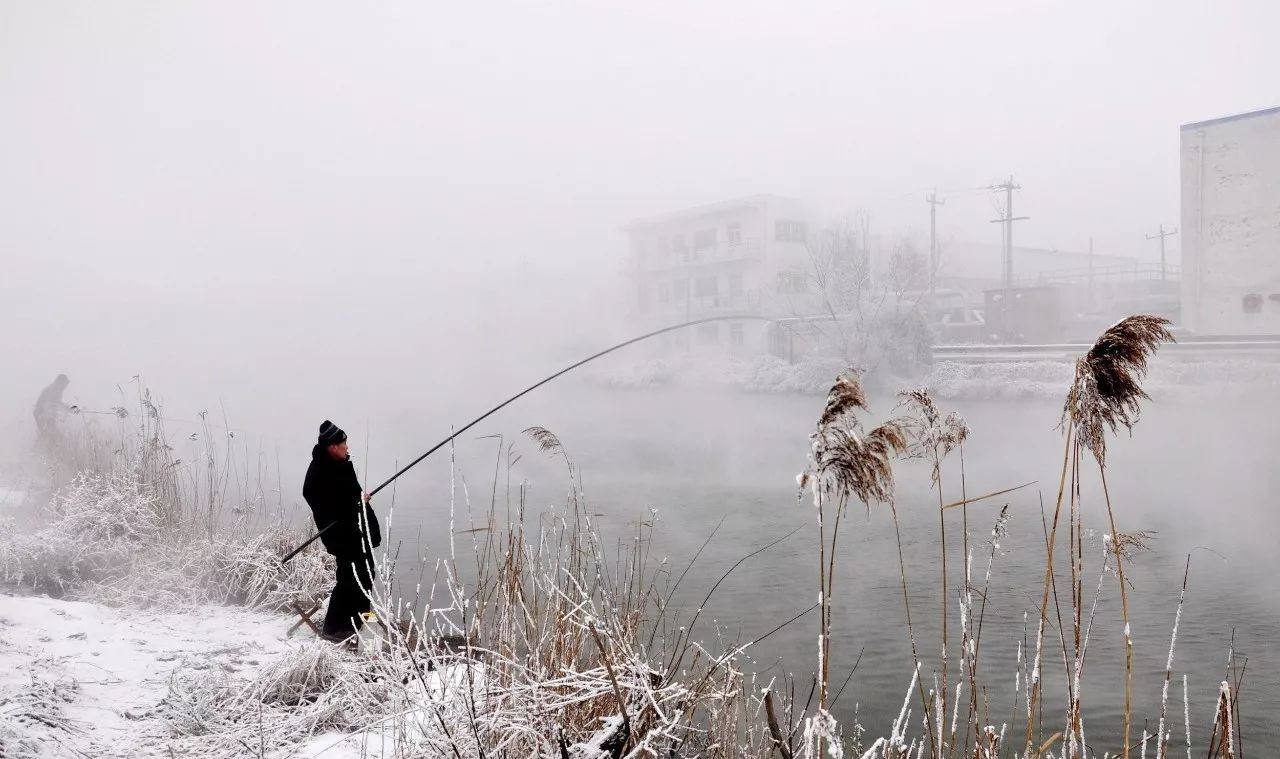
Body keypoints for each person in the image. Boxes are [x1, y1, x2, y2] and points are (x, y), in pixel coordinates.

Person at [302, 420, 382, 641]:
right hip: (340, 533)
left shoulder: (342, 463)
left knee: (366, 572)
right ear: (332, 446)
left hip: (356, 528)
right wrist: (352, 504)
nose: (347, 446)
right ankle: (334, 629)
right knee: (349, 577)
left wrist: (360, 500)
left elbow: (350, 493)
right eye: (343, 443)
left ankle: (359, 623)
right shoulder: (319, 468)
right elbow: (314, 496)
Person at [33, 374, 71, 440]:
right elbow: (51, 403)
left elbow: (56, 403)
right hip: (42, 415)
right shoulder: (52, 390)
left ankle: (42, 443)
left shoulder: (57, 390)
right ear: (60, 382)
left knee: (49, 436)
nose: (65, 387)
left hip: (46, 416)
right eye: (64, 385)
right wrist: (66, 408)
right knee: (53, 436)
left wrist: (66, 408)